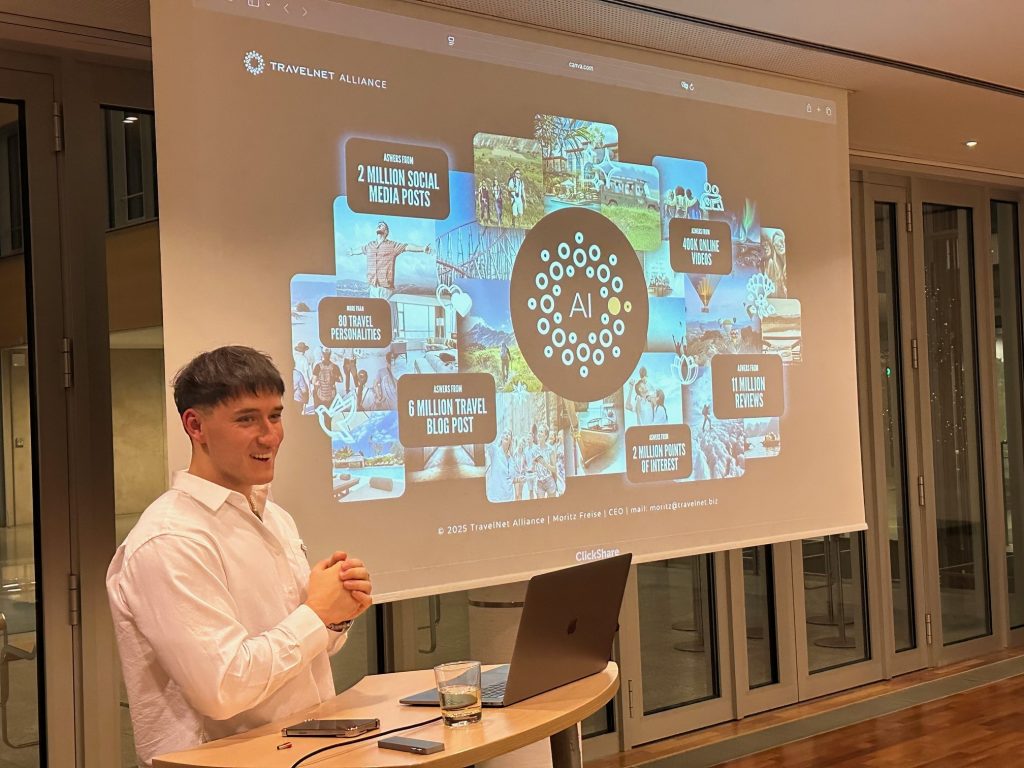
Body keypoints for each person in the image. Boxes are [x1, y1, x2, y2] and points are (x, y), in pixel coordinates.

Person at [106, 346, 372, 767]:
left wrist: (336, 612)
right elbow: (224, 688)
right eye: (247, 419)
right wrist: (317, 614)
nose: (270, 436)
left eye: (275, 415)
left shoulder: (274, 515)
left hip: (304, 750)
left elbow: (296, 652)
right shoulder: (169, 539)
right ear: (195, 425)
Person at [350, 221, 433, 299]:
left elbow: (406, 247)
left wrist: (422, 248)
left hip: (385, 289)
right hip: (372, 287)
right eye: (378, 225)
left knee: (385, 309)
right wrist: (352, 252)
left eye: (382, 225)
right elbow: (361, 249)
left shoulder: (392, 246)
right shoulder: (370, 245)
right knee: (374, 309)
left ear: (386, 232)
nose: (379, 225)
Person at [485, 430, 516, 502]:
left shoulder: (511, 459)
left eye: (509, 434)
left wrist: (519, 480)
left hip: (509, 498)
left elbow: (511, 479)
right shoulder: (494, 451)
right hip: (496, 498)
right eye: (505, 433)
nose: (507, 435)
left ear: (511, 440)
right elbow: (487, 441)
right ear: (501, 437)